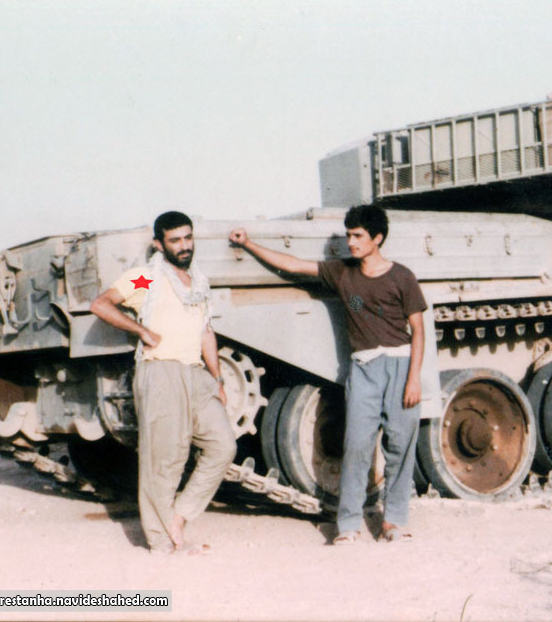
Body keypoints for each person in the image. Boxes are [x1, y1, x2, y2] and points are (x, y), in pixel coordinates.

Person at [229, 204, 427, 544]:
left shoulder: (402, 277)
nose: (351, 242)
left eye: (358, 236)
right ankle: (348, 526)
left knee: (399, 446)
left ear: (377, 238)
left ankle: (393, 522)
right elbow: (293, 264)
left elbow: (418, 330)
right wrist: (248, 244)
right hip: (364, 369)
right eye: (349, 235)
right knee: (356, 446)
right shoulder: (342, 273)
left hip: (400, 366)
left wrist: (414, 378)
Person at [90, 211, 236, 555]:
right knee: (164, 460)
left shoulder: (198, 282)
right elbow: (102, 304)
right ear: (159, 244)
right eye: (175, 240)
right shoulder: (147, 278)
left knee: (223, 446)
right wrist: (141, 330)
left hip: (196, 375)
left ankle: (180, 515)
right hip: (161, 373)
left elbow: (206, 331)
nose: (184, 246)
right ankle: (160, 541)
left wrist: (217, 378)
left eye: (188, 238)